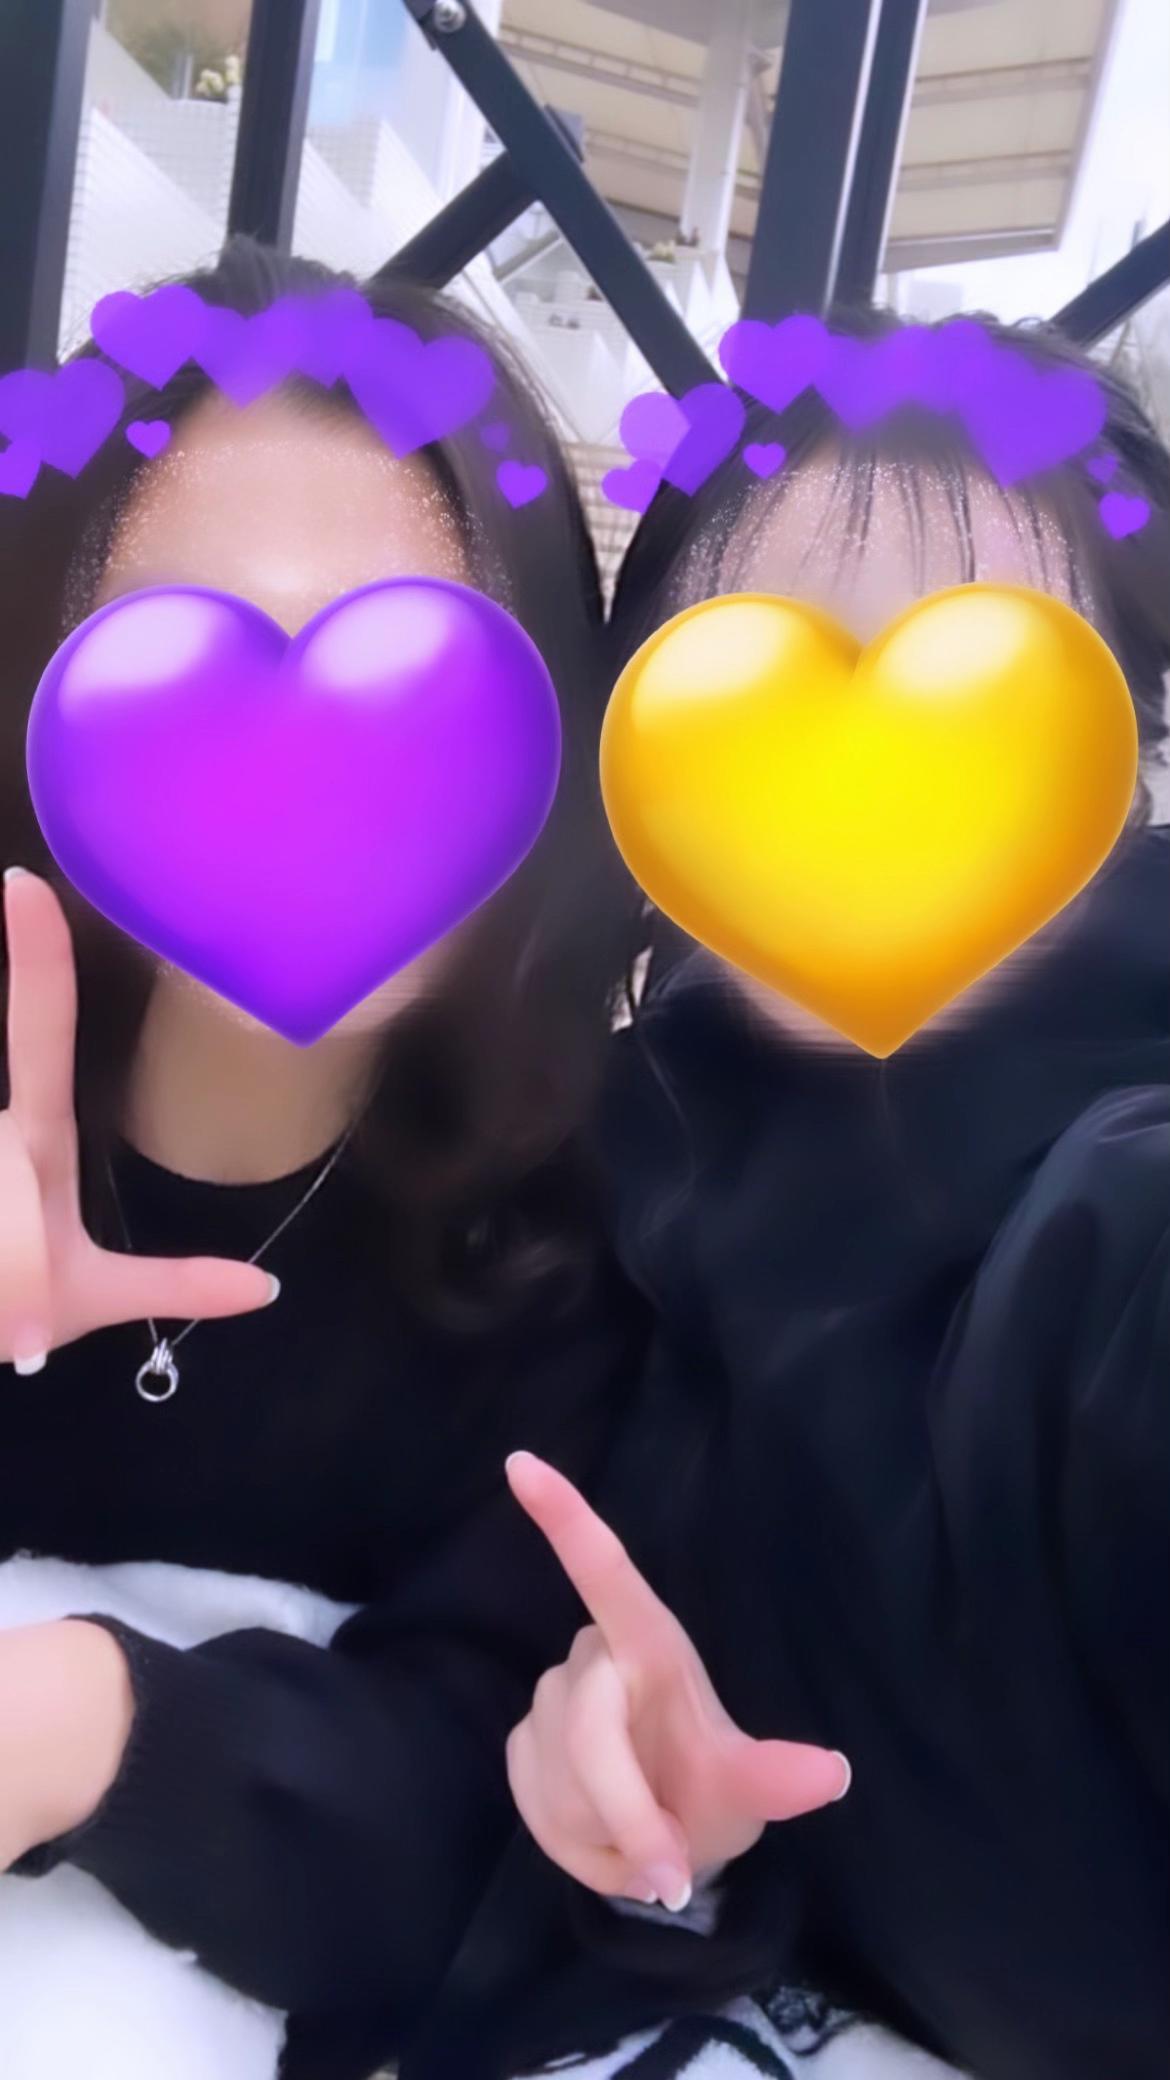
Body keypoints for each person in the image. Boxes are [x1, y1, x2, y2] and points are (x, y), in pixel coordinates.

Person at [402, 311, 1170, 2080]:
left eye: (988, 696)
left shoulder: (1113, 1237)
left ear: (1125, 757)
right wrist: (637, 1834)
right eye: (751, 688)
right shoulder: (617, 1178)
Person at [0, 233, 665, 2080]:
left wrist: (92, 1723)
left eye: (419, 690)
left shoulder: (595, 1243)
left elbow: (472, 1838)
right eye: (175, 677)